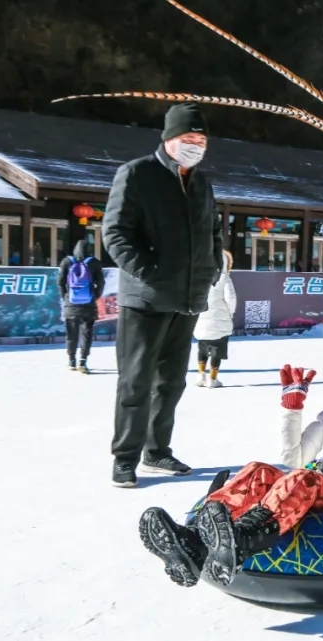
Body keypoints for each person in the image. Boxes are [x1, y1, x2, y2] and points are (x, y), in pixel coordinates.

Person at [137, 338, 323, 587]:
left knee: (304, 480)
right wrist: (291, 410)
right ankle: (193, 540)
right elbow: (295, 460)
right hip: (318, 480)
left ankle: (244, 540)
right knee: (258, 471)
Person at [103, 102, 223, 488]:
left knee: (171, 383)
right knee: (135, 381)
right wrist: (149, 272)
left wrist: (212, 266)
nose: (196, 146)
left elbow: (213, 233)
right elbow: (115, 233)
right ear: (169, 140)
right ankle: (125, 457)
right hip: (146, 299)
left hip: (188, 298)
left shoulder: (202, 183)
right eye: (189, 139)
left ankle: (157, 451)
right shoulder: (137, 174)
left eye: (201, 140)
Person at [57, 240, 105, 373]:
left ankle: (71, 361)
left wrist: (66, 297)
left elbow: (60, 282)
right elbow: (101, 283)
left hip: (71, 303)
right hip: (88, 304)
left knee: (71, 334)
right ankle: (83, 362)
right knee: (87, 333)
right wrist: (94, 296)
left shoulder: (67, 261)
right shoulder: (94, 262)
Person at [194, 250, 237, 388]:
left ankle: (201, 375)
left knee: (202, 348)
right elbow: (231, 299)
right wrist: (230, 313)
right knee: (217, 351)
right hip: (220, 320)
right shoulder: (224, 278)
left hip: (201, 318)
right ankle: (213, 379)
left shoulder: (199, 277)